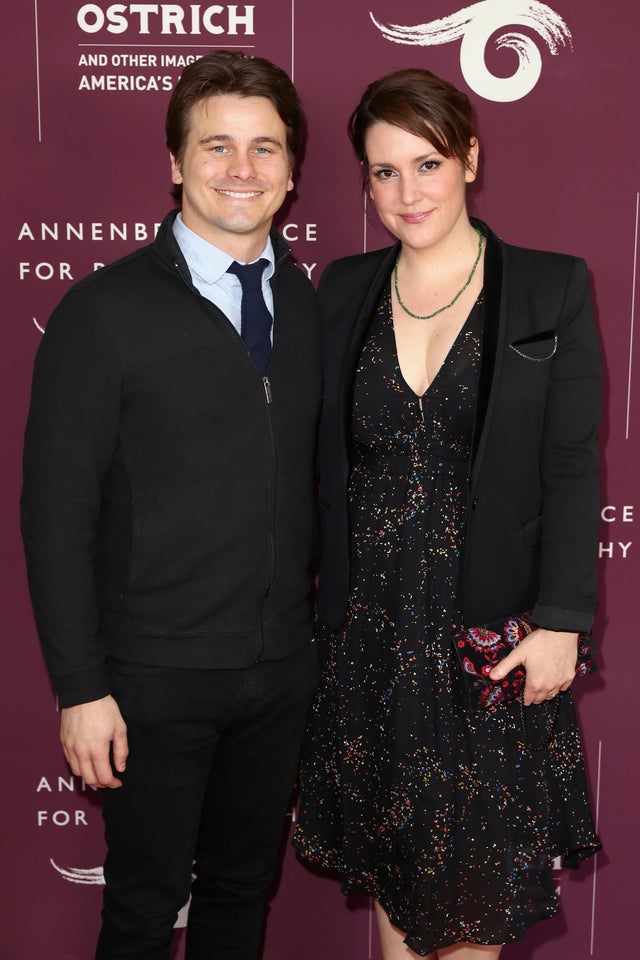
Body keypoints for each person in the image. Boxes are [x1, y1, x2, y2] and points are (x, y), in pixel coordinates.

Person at [293, 68, 602, 959]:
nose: (405, 193)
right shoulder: (341, 289)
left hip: (490, 645)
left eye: (425, 165)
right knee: (397, 896)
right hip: (371, 643)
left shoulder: (550, 288)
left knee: (470, 920)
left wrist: (561, 622)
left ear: (469, 156)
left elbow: (573, 467)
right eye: (383, 173)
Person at [21, 51, 321, 960]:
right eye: (217, 145)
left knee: (241, 896)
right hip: (151, 680)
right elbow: (55, 514)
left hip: (277, 678)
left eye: (264, 148)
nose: (242, 169)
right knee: (145, 908)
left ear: (292, 172)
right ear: (175, 162)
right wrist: (82, 689)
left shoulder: (308, 305)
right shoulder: (102, 312)